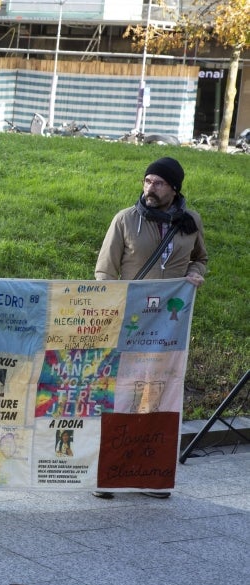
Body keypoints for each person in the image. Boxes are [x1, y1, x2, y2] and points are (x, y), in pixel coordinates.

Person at [93, 156, 207, 500]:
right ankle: (105, 475)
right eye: (147, 181)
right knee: (118, 397)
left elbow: (200, 258)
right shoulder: (125, 220)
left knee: (155, 398)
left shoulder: (190, 222)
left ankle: (149, 474)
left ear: (174, 188)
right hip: (129, 323)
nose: (150, 188)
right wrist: (112, 305)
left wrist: (196, 275)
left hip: (166, 328)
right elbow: (104, 270)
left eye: (158, 183)